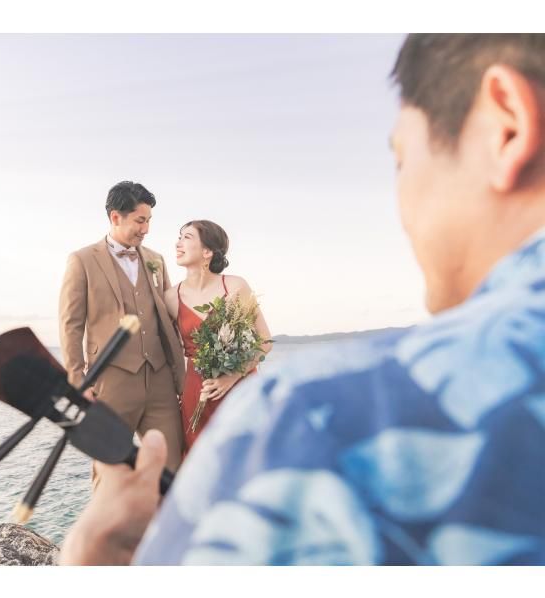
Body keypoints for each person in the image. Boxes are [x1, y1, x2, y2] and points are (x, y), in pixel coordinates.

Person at [60, 34, 545, 565]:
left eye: (403, 160)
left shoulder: (307, 420)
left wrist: (89, 561)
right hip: (169, 391)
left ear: (507, 127)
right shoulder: (128, 274)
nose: (400, 203)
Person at [58, 180, 186, 475]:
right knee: (108, 468)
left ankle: (164, 522)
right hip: (110, 381)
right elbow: (71, 325)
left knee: (171, 465)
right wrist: (78, 381)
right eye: (140, 220)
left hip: (160, 379)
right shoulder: (82, 261)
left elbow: (170, 314)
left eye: (149, 221)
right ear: (116, 217)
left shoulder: (156, 260)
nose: (146, 229)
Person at [164, 220, 272, 451]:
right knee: (201, 461)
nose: (178, 243)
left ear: (207, 251)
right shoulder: (170, 298)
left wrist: (232, 376)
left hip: (241, 390)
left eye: (187, 237)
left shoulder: (235, 286)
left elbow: (264, 340)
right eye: (179, 236)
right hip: (198, 392)